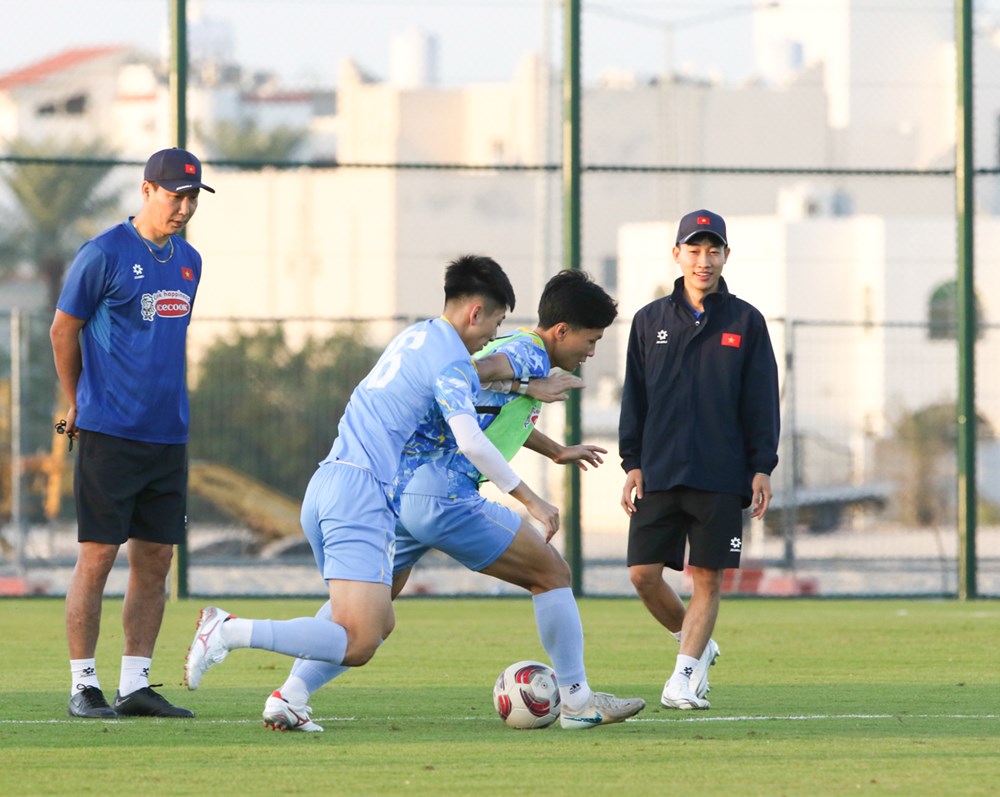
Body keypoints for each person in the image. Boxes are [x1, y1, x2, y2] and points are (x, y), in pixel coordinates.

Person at [259, 270, 645, 732]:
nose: (591, 352)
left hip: (404, 495)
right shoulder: (529, 351)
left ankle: (290, 694)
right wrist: (527, 398)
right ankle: (578, 701)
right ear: (562, 331)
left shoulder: (523, 355)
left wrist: (555, 449)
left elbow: (483, 406)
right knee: (552, 574)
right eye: (591, 340)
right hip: (444, 494)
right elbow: (469, 374)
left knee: (367, 611)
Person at [184, 255, 563, 701]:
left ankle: (289, 700)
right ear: (475, 312)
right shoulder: (453, 361)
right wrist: (533, 501)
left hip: (328, 484)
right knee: (359, 640)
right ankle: (228, 630)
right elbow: (473, 443)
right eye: (495, 325)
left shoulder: (415, 336)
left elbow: (460, 386)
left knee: (377, 620)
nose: (492, 339)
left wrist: (522, 387)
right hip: (361, 496)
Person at [50, 148, 216, 719]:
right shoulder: (103, 254)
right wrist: (76, 401)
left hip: (168, 435)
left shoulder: (190, 260)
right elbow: (63, 330)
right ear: (146, 190)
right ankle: (84, 686)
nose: (184, 207)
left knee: (156, 560)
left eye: (192, 198)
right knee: (98, 556)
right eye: (175, 195)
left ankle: (135, 686)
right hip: (109, 432)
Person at [619, 209, 780, 710]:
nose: (703, 260)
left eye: (713, 250)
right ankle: (697, 644)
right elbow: (635, 397)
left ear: (726, 255)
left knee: (708, 579)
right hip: (660, 470)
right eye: (694, 250)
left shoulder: (746, 321)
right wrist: (632, 461)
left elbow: (762, 401)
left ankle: (682, 679)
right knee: (642, 574)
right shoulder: (648, 320)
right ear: (677, 254)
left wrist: (762, 465)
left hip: (721, 473)